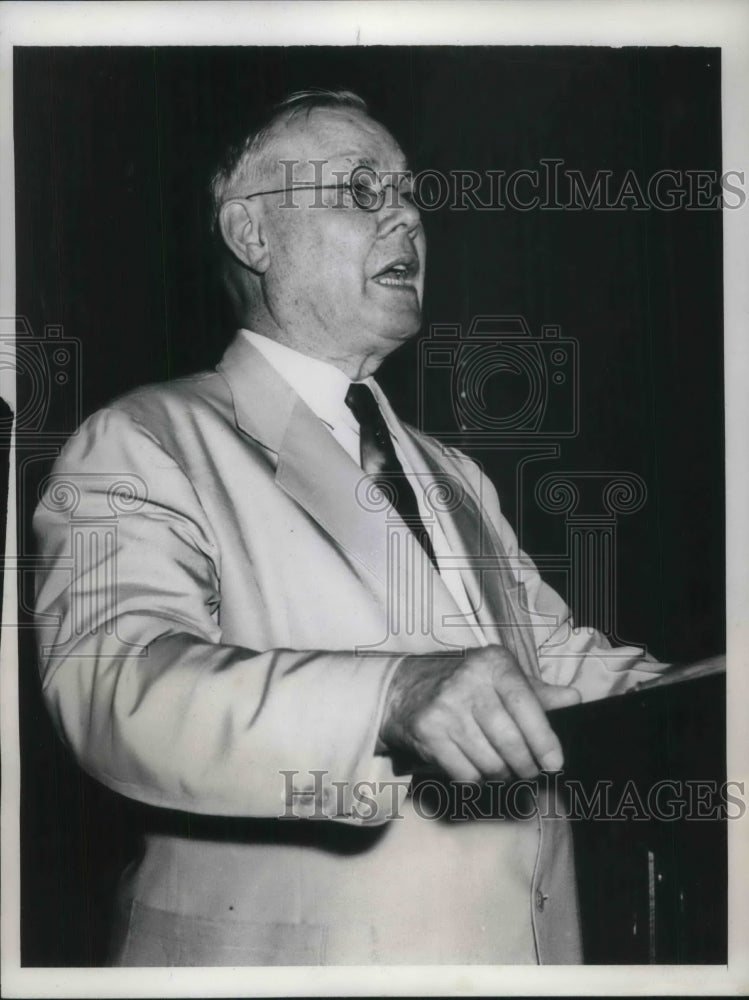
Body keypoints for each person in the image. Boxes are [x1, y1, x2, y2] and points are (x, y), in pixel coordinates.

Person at [33, 89, 666, 966]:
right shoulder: (144, 439)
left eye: (409, 194)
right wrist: (389, 696)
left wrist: (718, 692)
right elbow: (112, 692)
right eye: (362, 190)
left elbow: (556, 667)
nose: (407, 214)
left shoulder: (454, 475)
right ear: (251, 235)